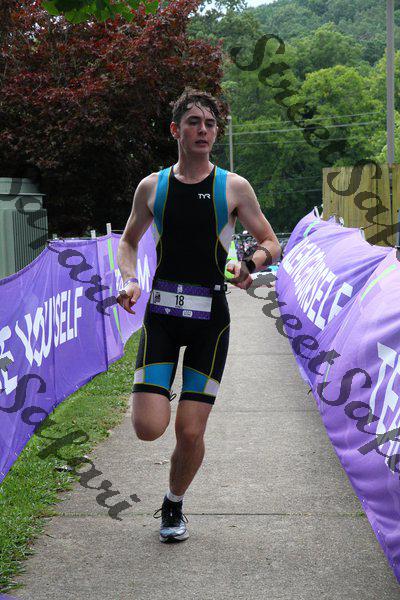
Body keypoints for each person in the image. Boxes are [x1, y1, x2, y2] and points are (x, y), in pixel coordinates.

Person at [116, 87, 281, 543]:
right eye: (194, 122)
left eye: (210, 123)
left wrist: (249, 264)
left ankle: (174, 503)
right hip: (162, 317)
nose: (203, 130)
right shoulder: (153, 187)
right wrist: (128, 280)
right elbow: (128, 241)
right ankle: (160, 388)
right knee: (149, 428)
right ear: (176, 130)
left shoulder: (233, 187)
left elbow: (270, 241)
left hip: (211, 322)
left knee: (189, 431)